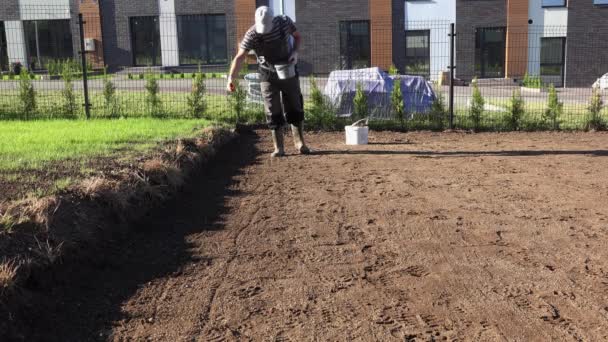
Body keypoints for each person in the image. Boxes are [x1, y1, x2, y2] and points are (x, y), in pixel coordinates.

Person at [227, 6, 310, 157]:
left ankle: (300, 143)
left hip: (288, 68)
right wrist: (230, 78)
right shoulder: (252, 34)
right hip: (267, 74)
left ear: (273, 20)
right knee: (272, 108)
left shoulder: (284, 22)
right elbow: (239, 57)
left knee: (294, 103)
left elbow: (297, 36)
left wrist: (295, 53)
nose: (264, 31)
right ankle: (279, 147)